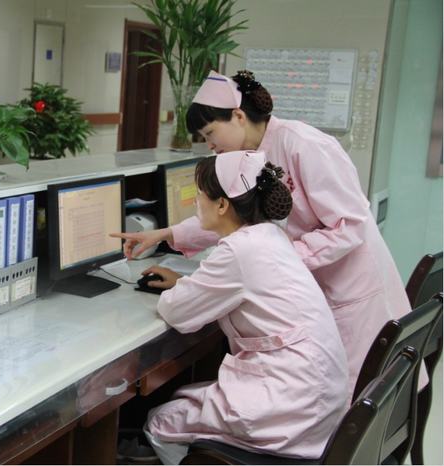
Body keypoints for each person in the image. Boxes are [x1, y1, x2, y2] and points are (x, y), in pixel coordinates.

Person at [117, 70, 410, 398]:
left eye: (211, 132)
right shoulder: (248, 158)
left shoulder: (303, 144)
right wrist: (166, 233)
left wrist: (277, 261)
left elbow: (349, 224)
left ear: (238, 116)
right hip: (313, 285)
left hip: (351, 290)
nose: (210, 145)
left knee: (359, 402)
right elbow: (234, 216)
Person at [119, 151, 348, 464]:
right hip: (318, 392)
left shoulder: (239, 250)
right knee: (184, 398)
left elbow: (176, 311)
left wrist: (185, 288)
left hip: (292, 402)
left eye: (200, 194)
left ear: (222, 205)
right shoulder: (271, 235)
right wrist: (189, 283)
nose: (195, 201)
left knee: (162, 421)